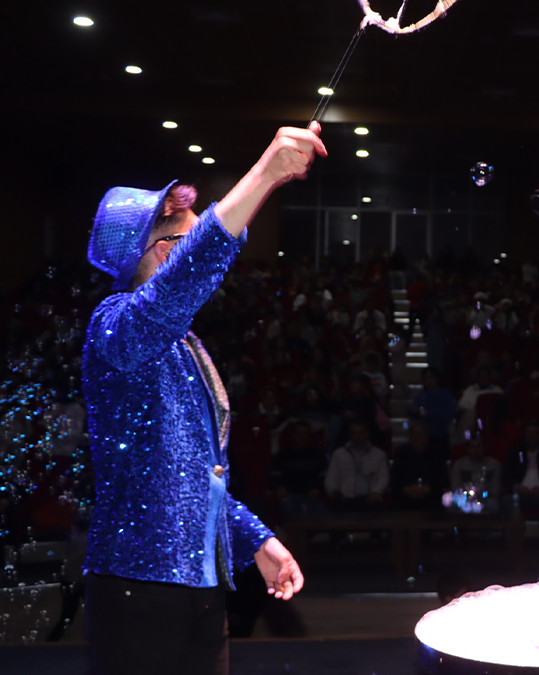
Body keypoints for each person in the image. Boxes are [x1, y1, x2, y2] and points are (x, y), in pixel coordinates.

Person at [82, 123, 325, 674]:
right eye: (189, 243)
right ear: (164, 253)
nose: (202, 260)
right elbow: (182, 286)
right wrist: (264, 175)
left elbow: (194, 477)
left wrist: (255, 540)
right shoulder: (115, 326)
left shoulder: (181, 343)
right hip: (135, 587)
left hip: (202, 584)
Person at [325, 420, 390, 510]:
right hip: (344, 498)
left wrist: (376, 491)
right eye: (354, 433)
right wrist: (334, 492)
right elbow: (331, 477)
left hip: (370, 498)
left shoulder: (379, 454)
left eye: (360, 433)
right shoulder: (338, 454)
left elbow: (383, 476)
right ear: (350, 435)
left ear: (367, 434)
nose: (357, 436)